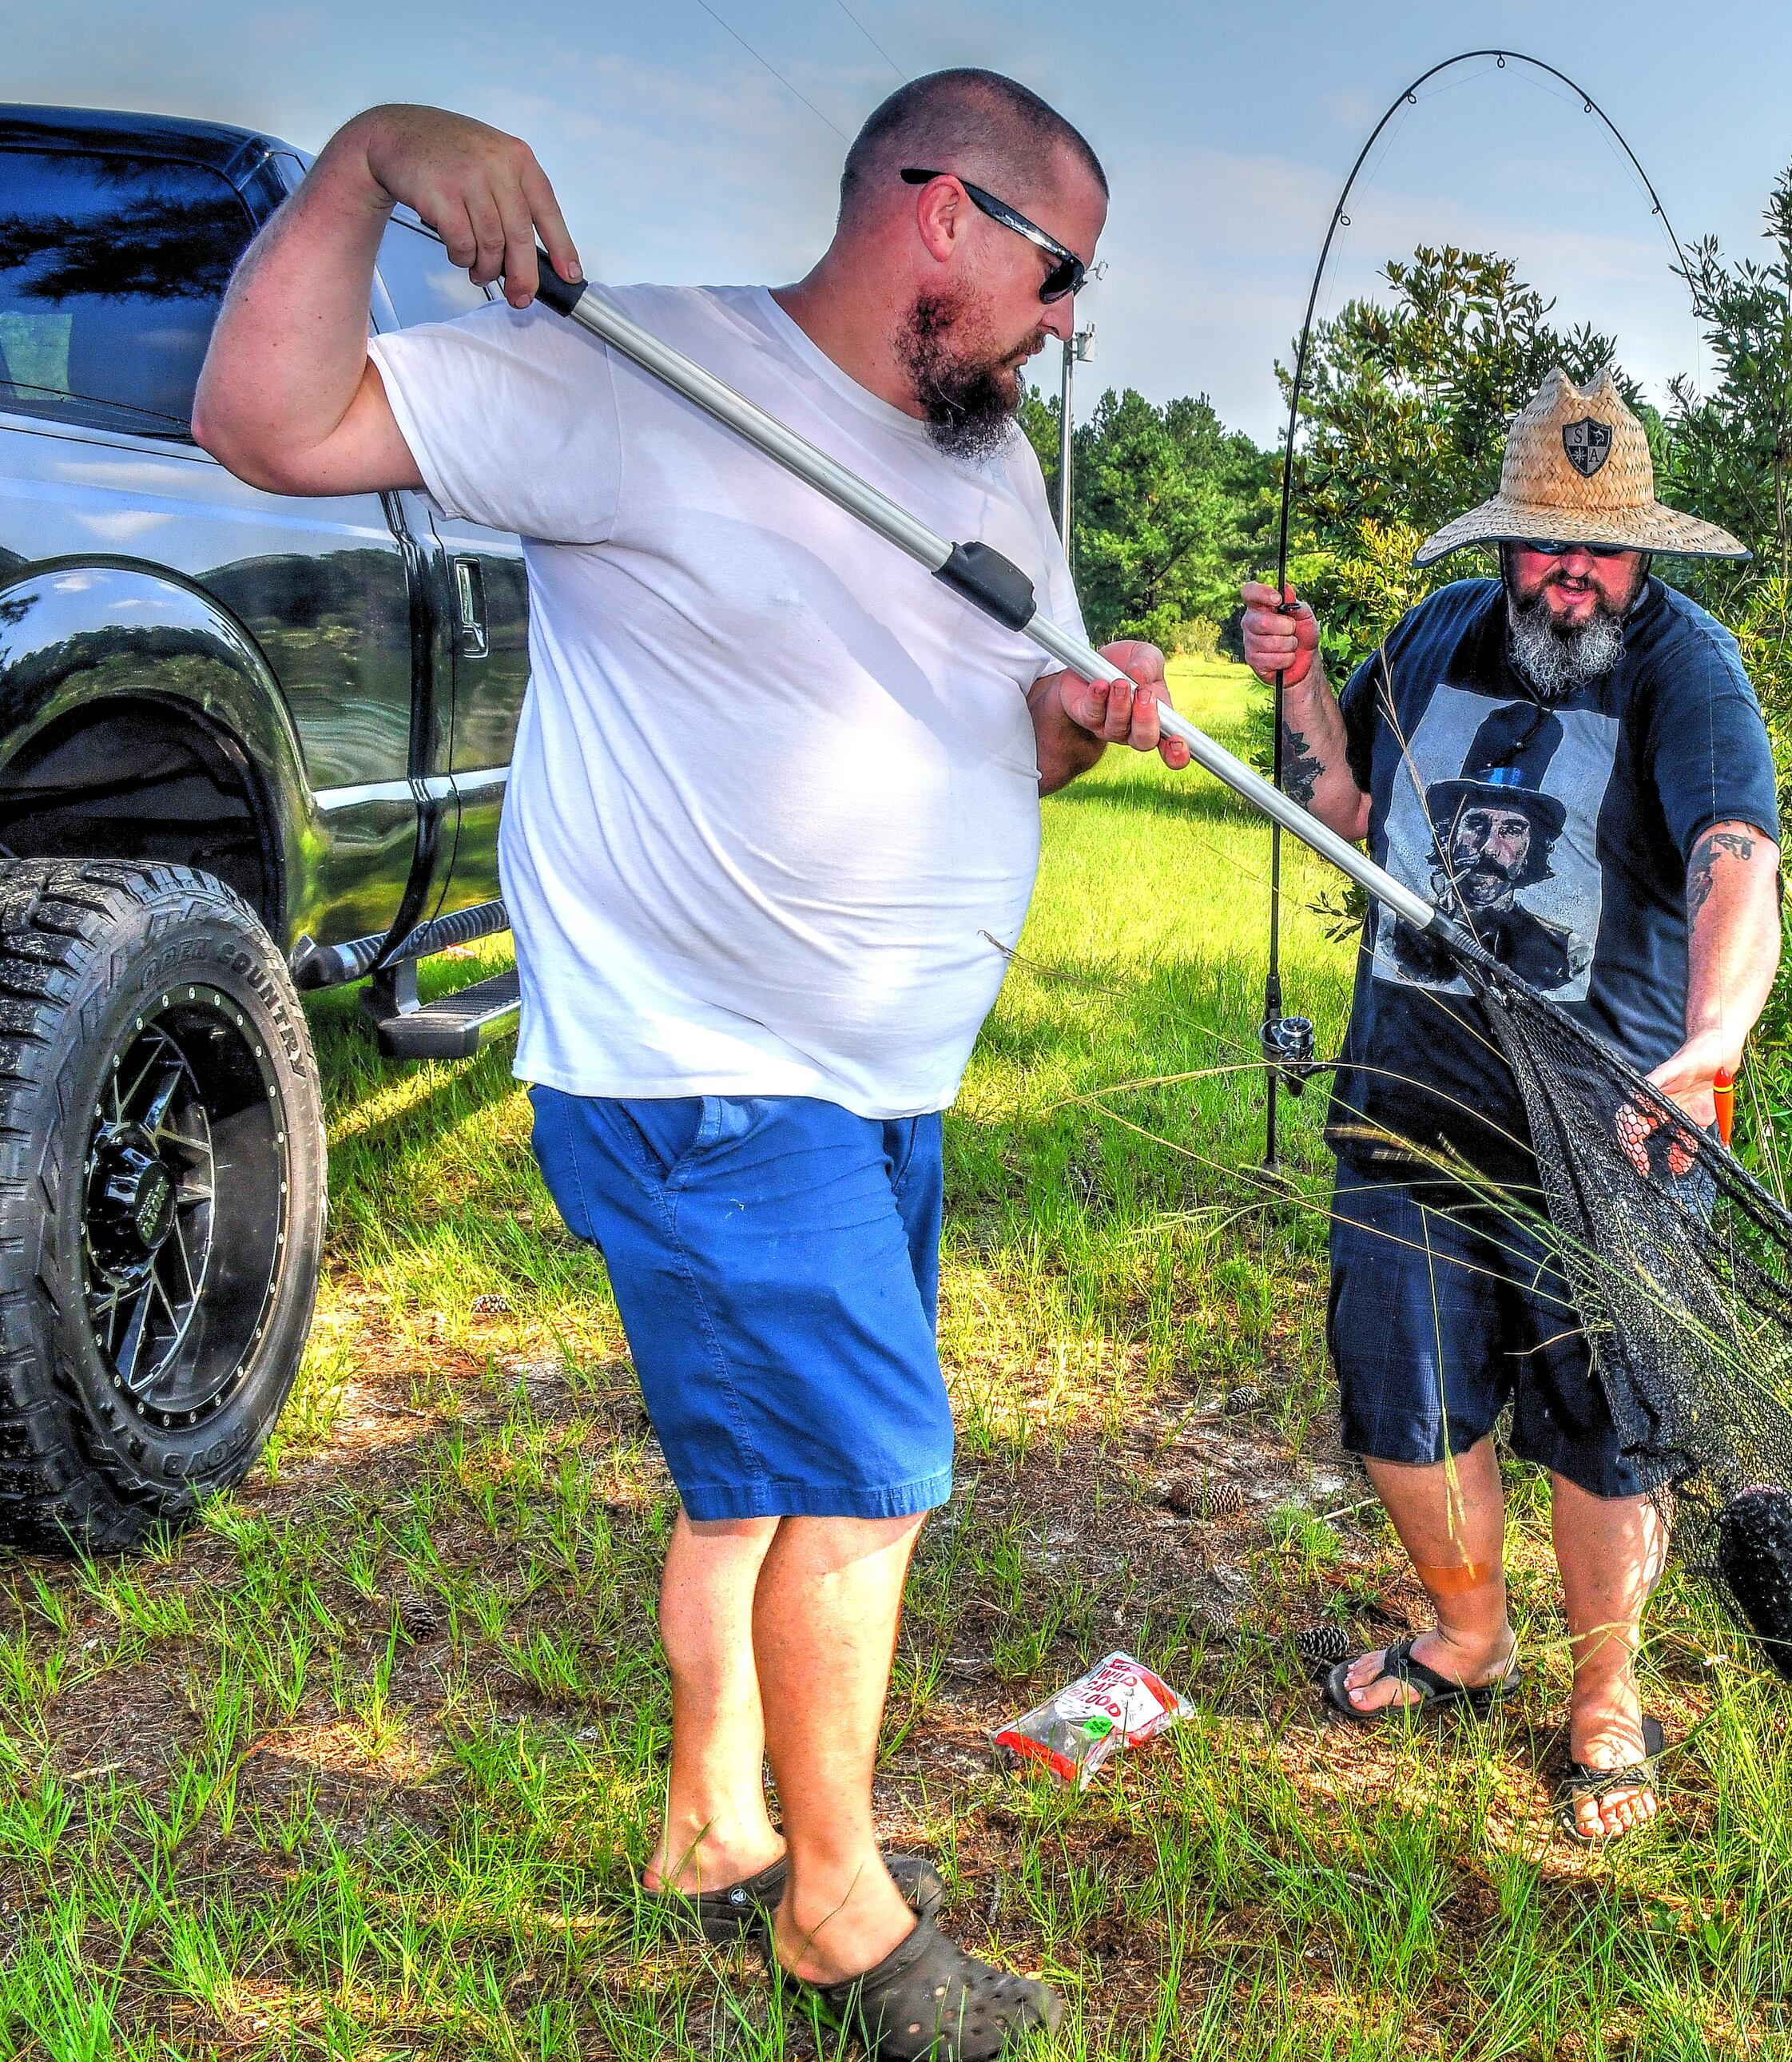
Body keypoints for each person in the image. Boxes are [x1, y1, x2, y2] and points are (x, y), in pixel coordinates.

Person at [193, 72, 1184, 2058]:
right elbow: (263, 425)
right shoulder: (640, 376)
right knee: (864, 1481)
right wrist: (376, 159)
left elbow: (1025, 738)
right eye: (1057, 272)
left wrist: (1088, 707)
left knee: (751, 1490)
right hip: (711, 1079)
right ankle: (837, 1916)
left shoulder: (992, 469)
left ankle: (712, 1825)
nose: (1068, 321)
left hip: (879, 1083)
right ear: (943, 214)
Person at [1237, 368, 1784, 1841]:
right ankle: (1467, 1634)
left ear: (1644, 554)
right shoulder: (1429, 636)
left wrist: (1713, 1037)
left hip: (1615, 1122)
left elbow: (1739, 857)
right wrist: (1296, 680)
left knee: (1609, 1426)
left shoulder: (1686, 670)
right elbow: (1341, 813)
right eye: (1546, 541)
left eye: (1599, 547)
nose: (1571, 574)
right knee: (1403, 1396)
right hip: (1412, 1093)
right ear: (1502, 542)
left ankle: (1605, 1692)